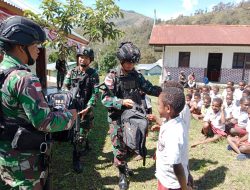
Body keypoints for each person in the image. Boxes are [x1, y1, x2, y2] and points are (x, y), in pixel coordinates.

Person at [0, 16, 77, 190]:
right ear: (21, 47)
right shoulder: (24, 78)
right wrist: (70, 116)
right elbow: (44, 121)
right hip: (23, 162)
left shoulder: (2, 72)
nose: (39, 51)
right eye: (35, 45)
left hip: (4, 157)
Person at [102, 42, 161, 190]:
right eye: (128, 63)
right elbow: (104, 99)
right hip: (117, 118)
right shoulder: (112, 76)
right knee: (119, 147)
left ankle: (124, 165)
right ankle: (122, 174)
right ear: (121, 61)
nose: (130, 65)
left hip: (133, 117)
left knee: (131, 145)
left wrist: (163, 91)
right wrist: (120, 101)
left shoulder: (137, 75)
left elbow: (148, 88)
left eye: (133, 63)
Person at [64, 46, 99, 151]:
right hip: (73, 105)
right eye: (81, 57)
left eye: (86, 57)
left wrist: (89, 107)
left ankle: (83, 143)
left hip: (86, 106)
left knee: (84, 129)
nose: (83, 59)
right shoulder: (72, 72)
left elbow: (96, 93)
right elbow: (65, 87)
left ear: (90, 60)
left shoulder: (93, 74)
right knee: (72, 131)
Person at [156, 87, 191, 190]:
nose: (157, 107)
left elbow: (176, 165)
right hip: (165, 177)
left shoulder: (173, 133)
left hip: (171, 184)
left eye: (158, 104)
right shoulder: (172, 121)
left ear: (168, 108)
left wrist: (184, 188)